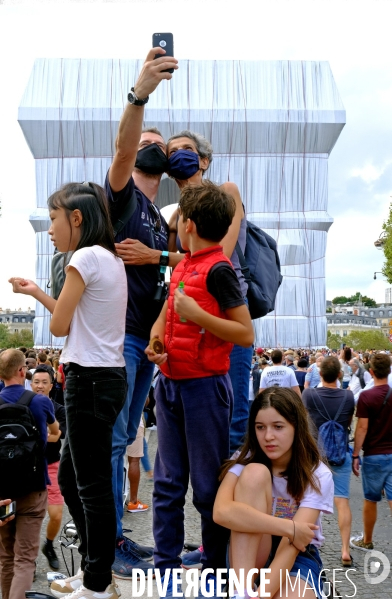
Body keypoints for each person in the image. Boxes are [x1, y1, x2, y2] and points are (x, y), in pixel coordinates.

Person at [9, 181, 127, 599]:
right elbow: (74, 320)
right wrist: (38, 292)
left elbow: (59, 326)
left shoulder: (83, 257)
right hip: (103, 376)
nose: (51, 229)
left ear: (76, 218)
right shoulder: (108, 258)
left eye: (55, 218)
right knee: (78, 479)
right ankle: (96, 571)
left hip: (89, 379)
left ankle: (97, 582)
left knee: (90, 486)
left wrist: (45, 296)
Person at [145, 182, 254, 598]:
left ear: (188, 225)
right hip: (171, 384)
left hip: (206, 390)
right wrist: (158, 342)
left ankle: (214, 568)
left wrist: (195, 315)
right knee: (169, 484)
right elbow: (167, 310)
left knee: (207, 488)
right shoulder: (184, 265)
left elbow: (245, 333)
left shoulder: (219, 269)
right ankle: (166, 569)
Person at [104, 47, 180, 577]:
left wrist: (161, 255)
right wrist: (140, 96)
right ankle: (106, 542)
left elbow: (191, 259)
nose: (154, 151)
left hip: (145, 342)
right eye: (150, 145)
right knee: (112, 442)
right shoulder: (125, 195)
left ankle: (114, 538)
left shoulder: (159, 215)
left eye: (162, 147)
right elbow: (123, 151)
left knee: (124, 437)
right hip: (120, 338)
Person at [166, 129, 253, 454]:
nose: (180, 157)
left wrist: (156, 256)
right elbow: (182, 270)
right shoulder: (177, 213)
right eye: (172, 153)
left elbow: (216, 256)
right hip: (188, 318)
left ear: (203, 160)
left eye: (186, 150)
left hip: (225, 308)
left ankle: (227, 492)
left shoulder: (226, 192)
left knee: (233, 413)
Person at [213, 387, 333, 599]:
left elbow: (294, 544)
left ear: (296, 426)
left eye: (278, 427)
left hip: (297, 554)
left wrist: (263, 594)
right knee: (255, 472)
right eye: (260, 427)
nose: (268, 436)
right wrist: (290, 527)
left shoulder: (318, 473)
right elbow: (221, 512)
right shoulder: (246, 457)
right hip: (249, 549)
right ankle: (240, 592)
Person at [0, 349, 58, 599]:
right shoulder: (39, 401)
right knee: (25, 558)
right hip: (33, 486)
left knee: (6, 557)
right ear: (23, 371)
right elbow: (55, 431)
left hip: (2, 491)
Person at [302, 356, 355, 566]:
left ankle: (310, 543)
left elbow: (304, 420)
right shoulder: (349, 397)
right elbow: (348, 422)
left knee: (309, 501)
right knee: (342, 502)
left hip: (314, 454)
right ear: (340, 375)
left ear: (320, 373)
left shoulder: (309, 394)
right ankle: (345, 550)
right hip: (340, 452)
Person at [350, 353, 392, 552]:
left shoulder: (367, 396)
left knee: (371, 499)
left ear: (372, 372)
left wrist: (356, 454)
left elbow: (362, 428)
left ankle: (367, 539)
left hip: (374, 453)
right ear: (389, 370)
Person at [31, 366, 67, 571]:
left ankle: (49, 545)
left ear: (52, 386)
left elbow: (58, 435)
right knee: (27, 517)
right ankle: (29, 559)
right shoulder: (25, 404)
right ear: (31, 383)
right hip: (29, 467)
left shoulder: (59, 409)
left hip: (52, 465)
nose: (40, 386)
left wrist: (38, 433)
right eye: (37, 382)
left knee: (56, 515)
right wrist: (49, 432)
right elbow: (51, 435)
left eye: (45, 382)